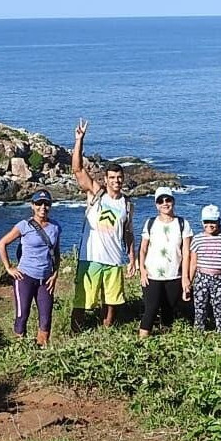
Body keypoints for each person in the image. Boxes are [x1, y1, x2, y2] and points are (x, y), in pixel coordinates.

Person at [71, 118, 136, 330]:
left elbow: (128, 234)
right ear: (106, 179)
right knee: (83, 301)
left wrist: (132, 258)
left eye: (119, 177)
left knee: (112, 302)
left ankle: (106, 332)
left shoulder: (127, 204)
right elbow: (78, 170)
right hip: (90, 259)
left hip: (115, 260)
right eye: (112, 177)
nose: (116, 181)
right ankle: (76, 334)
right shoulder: (96, 193)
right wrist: (79, 140)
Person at [0, 189, 62, 348]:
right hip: (24, 277)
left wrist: (55, 273)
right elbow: (1, 244)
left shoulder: (55, 227)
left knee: (46, 319)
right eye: (39, 204)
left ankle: (41, 353)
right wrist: (9, 268)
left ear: (50, 206)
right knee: (22, 315)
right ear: (32, 206)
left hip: (46, 280)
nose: (43, 207)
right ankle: (21, 352)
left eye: (46, 204)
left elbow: (56, 252)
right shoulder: (23, 226)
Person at [138, 187, 193, 338]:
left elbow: (186, 252)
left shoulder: (183, 224)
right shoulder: (150, 223)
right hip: (152, 275)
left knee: (169, 309)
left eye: (167, 199)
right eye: (160, 201)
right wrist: (142, 270)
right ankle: (140, 344)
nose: (164, 203)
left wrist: (185, 277)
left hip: (174, 274)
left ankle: (165, 342)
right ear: (156, 204)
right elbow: (142, 249)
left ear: (173, 201)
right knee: (151, 309)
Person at [188, 204, 221, 334]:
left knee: (219, 310)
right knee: (199, 310)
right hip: (201, 278)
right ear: (202, 222)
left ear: (219, 221)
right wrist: (189, 282)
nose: (210, 225)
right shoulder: (197, 239)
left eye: (213, 222)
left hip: (220, 278)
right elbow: (193, 263)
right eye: (206, 222)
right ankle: (198, 335)